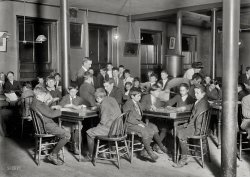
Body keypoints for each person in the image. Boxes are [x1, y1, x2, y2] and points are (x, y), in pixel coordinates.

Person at [123, 88, 168, 162]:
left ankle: (144, 151)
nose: (139, 97)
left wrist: (151, 107)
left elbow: (143, 107)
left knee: (151, 130)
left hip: (137, 123)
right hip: (129, 125)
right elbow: (128, 117)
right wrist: (138, 123)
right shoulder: (128, 104)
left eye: (140, 96)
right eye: (138, 96)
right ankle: (149, 151)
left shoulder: (137, 102)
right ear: (132, 96)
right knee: (144, 131)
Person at [31, 86, 71, 165]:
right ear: (38, 95)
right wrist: (62, 110)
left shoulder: (37, 102)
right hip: (45, 126)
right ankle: (53, 154)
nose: (45, 98)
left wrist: (57, 108)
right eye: (44, 96)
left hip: (45, 124)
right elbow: (51, 114)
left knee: (64, 129)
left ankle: (53, 148)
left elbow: (48, 111)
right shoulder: (38, 104)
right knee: (67, 135)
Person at [173, 84, 210, 168]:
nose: (195, 94)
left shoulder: (202, 104)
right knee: (176, 129)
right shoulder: (201, 101)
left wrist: (188, 126)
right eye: (195, 92)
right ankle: (186, 152)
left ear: (203, 93)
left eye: (197, 93)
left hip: (198, 128)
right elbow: (192, 106)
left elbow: (197, 120)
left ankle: (184, 158)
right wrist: (184, 108)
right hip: (196, 125)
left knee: (181, 133)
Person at [86, 88, 121, 159]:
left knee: (89, 132)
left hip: (111, 130)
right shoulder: (112, 98)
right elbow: (110, 109)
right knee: (96, 128)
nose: (96, 100)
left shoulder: (103, 104)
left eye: (96, 99)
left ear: (98, 98)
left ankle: (90, 156)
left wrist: (97, 127)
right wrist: (99, 106)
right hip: (119, 127)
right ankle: (103, 152)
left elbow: (103, 121)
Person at [57, 86, 83, 154]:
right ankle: (72, 145)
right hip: (66, 120)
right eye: (71, 91)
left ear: (77, 92)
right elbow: (60, 105)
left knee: (78, 127)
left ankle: (75, 145)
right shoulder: (65, 97)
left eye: (75, 91)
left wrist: (81, 106)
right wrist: (72, 106)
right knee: (75, 126)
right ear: (68, 91)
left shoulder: (79, 99)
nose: (73, 93)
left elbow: (83, 106)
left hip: (75, 120)